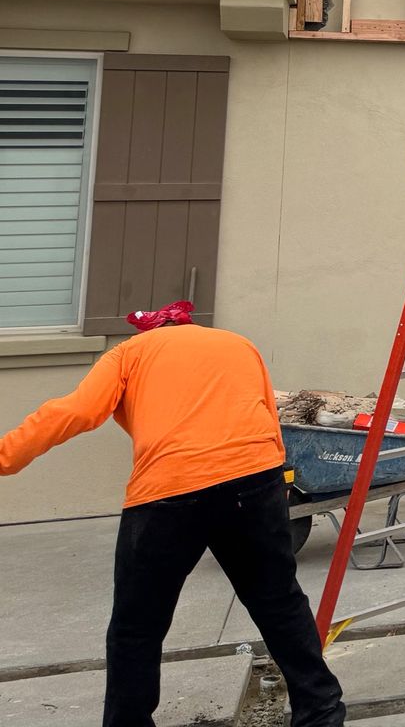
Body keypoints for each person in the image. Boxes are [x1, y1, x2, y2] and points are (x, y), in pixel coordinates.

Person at [0, 301, 346, 727]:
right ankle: (322, 714)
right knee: (280, 603)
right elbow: (265, 412)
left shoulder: (128, 354)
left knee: (137, 626)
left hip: (168, 491)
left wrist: (5, 457)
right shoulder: (236, 343)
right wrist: (275, 479)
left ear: (146, 333)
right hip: (254, 479)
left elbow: (75, 411)